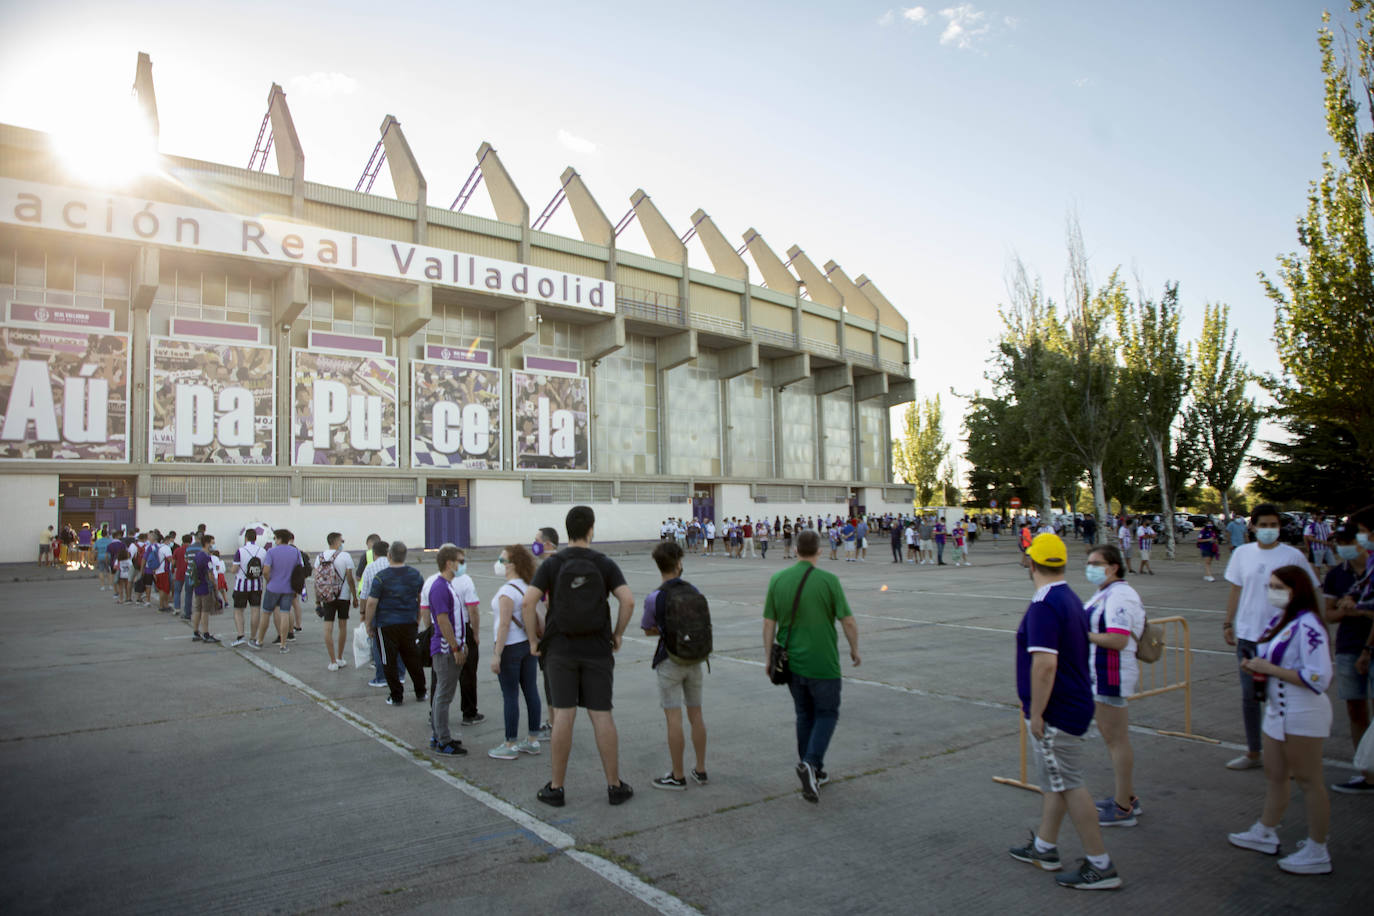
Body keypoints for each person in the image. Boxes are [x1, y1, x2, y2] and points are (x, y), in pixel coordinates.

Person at [1007, 533, 1122, 890]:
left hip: (1057, 710)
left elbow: (1044, 666)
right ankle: (1045, 846)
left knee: (1069, 784)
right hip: (1074, 701)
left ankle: (1100, 864)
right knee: (1055, 782)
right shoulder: (1070, 597)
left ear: (1031, 563)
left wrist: (1037, 713)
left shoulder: (1044, 604)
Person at [522, 505, 635, 808]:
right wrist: (618, 633)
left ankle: (556, 788)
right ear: (591, 529)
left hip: (560, 649)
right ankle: (614, 785)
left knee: (563, 715)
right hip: (597, 648)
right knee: (601, 714)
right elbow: (628, 600)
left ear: (567, 530)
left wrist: (535, 640)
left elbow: (528, 602)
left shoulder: (553, 564)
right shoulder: (603, 563)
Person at [1227, 565, 1335, 875]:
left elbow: (1319, 677)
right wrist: (1257, 666)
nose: (1271, 592)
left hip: (1303, 712)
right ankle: (1265, 829)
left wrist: (1270, 669)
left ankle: (1318, 847)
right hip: (1277, 710)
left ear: (1296, 589)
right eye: (1270, 586)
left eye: (1278, 586)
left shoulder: (1309, 625)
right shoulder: (1282, 620)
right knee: (1276, 775)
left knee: (1309, 780)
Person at [762, 529, 861, 803]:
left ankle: (811, 769)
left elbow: (769, 622)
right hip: (823, 662)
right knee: (827, 713)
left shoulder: (778, 579)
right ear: (819, 550)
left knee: (804, 714)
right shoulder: (829, 580)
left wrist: (769, 658)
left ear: (795, 550)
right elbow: (848, 621)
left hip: (792, 663)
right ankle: (812, 764)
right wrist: (854, 649)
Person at [1222, 504, 1321, 770]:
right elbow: (1235, 590)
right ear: (1252, 526)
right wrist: (1228, 623)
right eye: (1263, 525)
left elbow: (1310, 592)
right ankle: (1254, 752)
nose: (1268, 530)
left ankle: (1287, 758)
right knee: (1250, 697)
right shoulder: (1242, 554)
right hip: (1248, 636)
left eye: (1273, 525)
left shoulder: (1293, 556)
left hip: (1283, 637)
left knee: (1282, 696)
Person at [1083, 545, 1146, 827]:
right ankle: (1126, 796)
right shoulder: (1106, 592)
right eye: (1089, 562)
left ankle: (1123, 807)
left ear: (1114, 566)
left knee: (1116, 739)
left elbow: (1118, 639)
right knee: (1113, 738)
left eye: (1096, 563)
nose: (1091, 567)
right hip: (1102, 672)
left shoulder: (1120, 595)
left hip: (1113, 673)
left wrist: (1083, 635)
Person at [641, 541, 709, 790]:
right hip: (695, 658)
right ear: (679, 564)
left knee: (673, 718)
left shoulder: (654, 597)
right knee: (696, 714)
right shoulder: (694, 589)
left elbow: (648, 629)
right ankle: (700, 769)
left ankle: (678, 774)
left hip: (670, 660)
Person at [1327, 518, 1374, 794]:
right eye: (1342, 543)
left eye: (1352, 541)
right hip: (1348, 647)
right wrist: (1348, 610)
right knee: (1356, 709)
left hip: (1369, 647)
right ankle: (1366, 772)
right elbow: (1329, 613)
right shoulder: (1336, 575)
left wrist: (1357, 608)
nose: (1346, 548)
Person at [488, 544, 542, 761]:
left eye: (502, 560)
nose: (499, 564)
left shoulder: (507, 592)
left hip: (510, 647)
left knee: (510, 695)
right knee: (531, 691)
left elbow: (503, 626)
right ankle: (532, 740)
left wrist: (497, 654)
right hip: (527, 644)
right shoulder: (527, 586)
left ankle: (510, 743)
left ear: (512, 565)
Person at [364, 540, 428, 706]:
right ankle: (421, 691)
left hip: (386, 624)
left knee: (388, 660)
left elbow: (372, 602)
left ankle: (396, 695)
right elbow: (421, 597)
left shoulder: (381, 577)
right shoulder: (415, 574)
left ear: (389, 555)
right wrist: (418, 617)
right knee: (412, 657)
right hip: (409, 622)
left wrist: (368, 623)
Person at [419, 544, 468, 756]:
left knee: (444, 694)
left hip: (450, 647)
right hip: (445, 649)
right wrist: (455, 647)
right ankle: (441, 740)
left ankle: (440, 734)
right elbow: (442, 620)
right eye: (460, 562)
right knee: (443, 696)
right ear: (450, 564)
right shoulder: (440, 588)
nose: (462, 566)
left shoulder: (447, 586)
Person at [315, 532, 358, 671]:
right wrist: (354, 596)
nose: (342, 542)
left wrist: (317, 601)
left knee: (328, 627)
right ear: (336, 542)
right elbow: (350, 578)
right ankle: (339, 657)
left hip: (327, 595)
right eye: (342, 540)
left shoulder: (320, 556)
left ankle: (332, 661)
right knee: (342, 626)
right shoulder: (345, 556)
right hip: (343, 596)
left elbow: (317, 580)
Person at [259, 529, 304, 653]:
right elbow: (299, 568)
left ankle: (259, 640)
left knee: (266, 613)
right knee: (285, 613)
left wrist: (269, 580)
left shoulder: (271, 552)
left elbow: (266, 571)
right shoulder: (295, 552)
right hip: (288, 588)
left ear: (279, 539)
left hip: (273, 587)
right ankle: (283, 644)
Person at [359, 540, 393, 687]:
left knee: (378, 645)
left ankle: (381, 677)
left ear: (374, 553)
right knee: (397, 644)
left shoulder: (370, 568)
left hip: (378, 611)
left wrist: (364, 615)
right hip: (398, 610)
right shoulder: (395, 566)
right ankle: (400, 674)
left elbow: (365, 596)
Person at [231, 528, 267, 648]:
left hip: (241, 585)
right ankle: (253, 637)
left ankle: (241, 635)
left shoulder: (240, 551)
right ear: (256, 538)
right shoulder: (262, 551)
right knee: (255, 610)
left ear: (245, 538)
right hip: (257, 584)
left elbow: (234, 569)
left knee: (238, 610)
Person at [189, 533, 221, 644]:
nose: (213, 545)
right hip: (205, 586)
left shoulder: (198, 555)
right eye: (212, 543)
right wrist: (215, 586)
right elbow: (210, 573)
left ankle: (196, 631)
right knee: (205, 611)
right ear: (207, 543)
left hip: (197, 585)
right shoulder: (206, 557)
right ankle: (206, 633)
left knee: (197, 609)